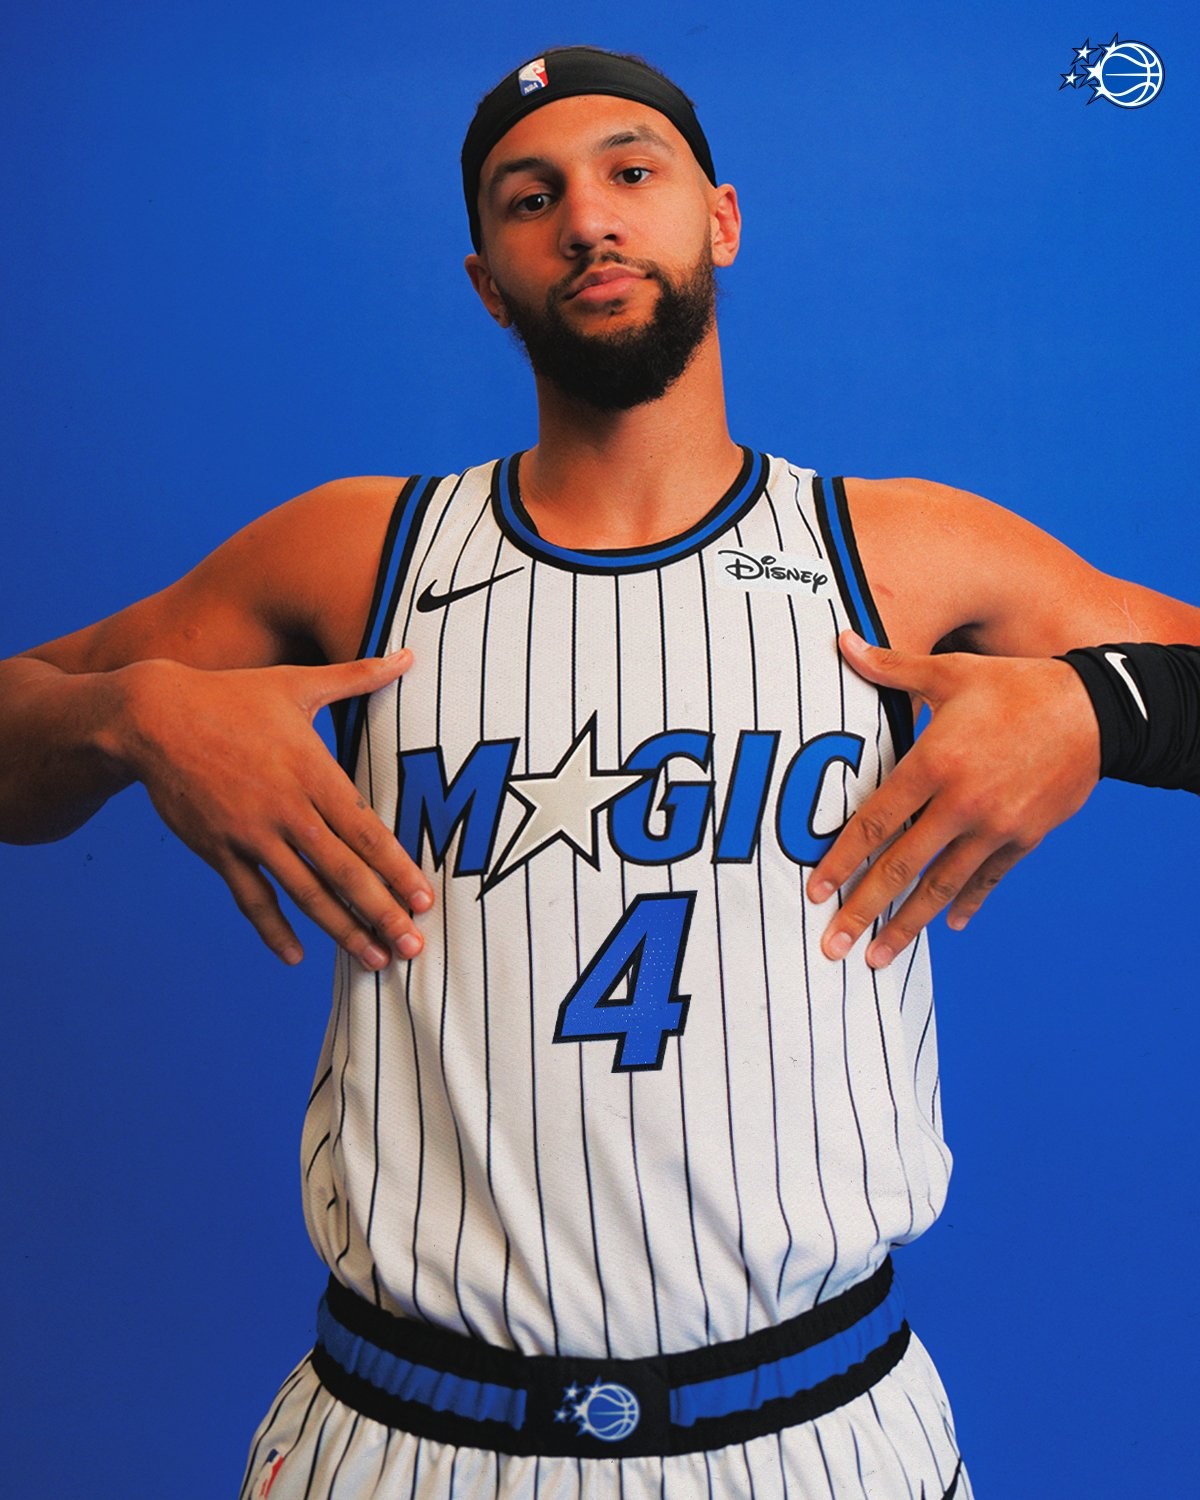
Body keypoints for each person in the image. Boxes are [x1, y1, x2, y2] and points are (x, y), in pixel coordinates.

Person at [1, 44, 1197, 1500]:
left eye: (633, 171)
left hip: (820, 1435)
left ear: (721, 218)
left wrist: (1097, 708)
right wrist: (132, 714)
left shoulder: (901, 551)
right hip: (403, 1438)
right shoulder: (360, 552)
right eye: (531, 198)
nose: (587, 219)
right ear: (486, 281)